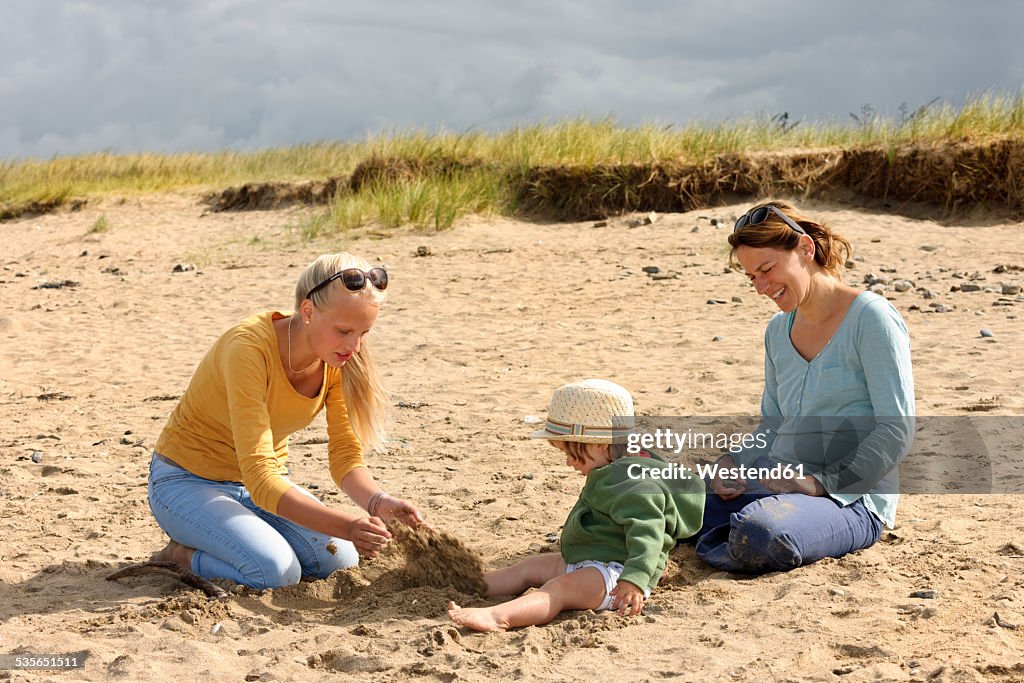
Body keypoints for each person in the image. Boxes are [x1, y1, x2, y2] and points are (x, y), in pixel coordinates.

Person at [146, 252, 426, 589]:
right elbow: (261, 477)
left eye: (364, 333)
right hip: (187, 482)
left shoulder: (336, 358)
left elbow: (345, 458)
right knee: (275, 573)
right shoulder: (247, 348)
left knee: (341, 559)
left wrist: (378, 503)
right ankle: (181, 555)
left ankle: (243, 539)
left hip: (257, 487)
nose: (354, 345)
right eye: (344, 331)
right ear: (307, 311)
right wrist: (349, 527)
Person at [689, 201, 915, 573]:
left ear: (806, 249)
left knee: (761, 533)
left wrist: (818, 483)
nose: (761, 288)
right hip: (774, 481)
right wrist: (729, 464)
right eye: (751, 278)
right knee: (654, 494)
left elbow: (896, 429)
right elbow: (772, 427)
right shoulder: (778, 331)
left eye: (767, 269)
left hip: (851, 501)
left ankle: (726, 526)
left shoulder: (872, 319)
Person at [448, 379, 704, 632]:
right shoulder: (613, 468)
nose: (569, 462)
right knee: (529, 567)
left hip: (616, 576)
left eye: (573, 453)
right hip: (595, 559)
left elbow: (649, 532)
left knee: (558, 589)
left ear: (600, 445)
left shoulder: (633, 484)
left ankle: (497, 617)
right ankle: (467, 584)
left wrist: (635, 579)